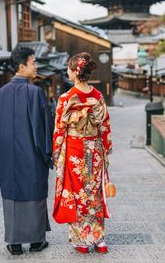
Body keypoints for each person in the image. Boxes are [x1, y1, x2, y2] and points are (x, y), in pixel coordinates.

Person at [0, 45, 54, 255]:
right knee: (34, 192)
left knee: (12, 194)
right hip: (32, 155)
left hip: (8, 157)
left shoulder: (2, 93)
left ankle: (14, 243)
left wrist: (1, 155)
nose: (36, 66)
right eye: (33, 62)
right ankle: (36, 241)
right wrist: (47, 154)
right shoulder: (35, 92)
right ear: (21, 66)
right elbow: (43, 128)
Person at [52, 52, 112, 254]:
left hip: (75, 150)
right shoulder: (98, 96)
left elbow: (59, 130)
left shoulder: (66, 98)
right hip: (94, 150)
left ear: (74, 72)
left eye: (68, 69)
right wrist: (106, 149)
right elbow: (104, 126)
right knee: (95, 193)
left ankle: (82, 241)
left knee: (78, 194)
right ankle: (99, 239)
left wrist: (56, 152)